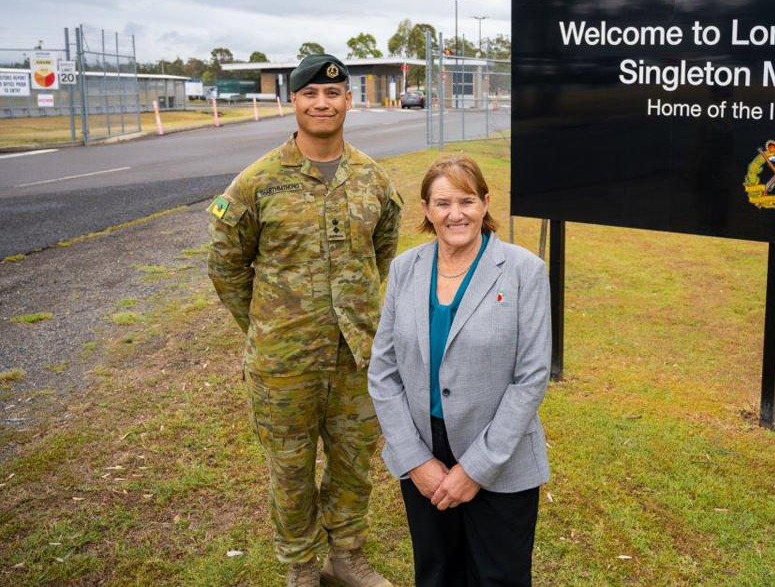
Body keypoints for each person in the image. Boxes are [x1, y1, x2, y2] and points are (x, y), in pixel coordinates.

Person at [208, 53, 403, 587]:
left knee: (352, 461)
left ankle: (347, 557)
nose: (323, 103)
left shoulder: (372, 179)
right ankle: (301, 566)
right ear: (291, 101)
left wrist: (354, 309)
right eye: (310, 94)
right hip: (283, 363)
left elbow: (381, 250)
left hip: (355, 356)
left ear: (349, 101)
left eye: (333, 94)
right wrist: (267, 325)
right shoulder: (257, 182)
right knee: (290, 470)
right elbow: (225, 265)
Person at [368, 154, 551, 586]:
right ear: (427, 211)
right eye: (443, 203)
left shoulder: (525, 271)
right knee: (436, 573)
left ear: (485, 204)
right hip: (424, 449)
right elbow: (383, 370)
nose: (456, 214)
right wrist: (414, 461)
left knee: (498, 576)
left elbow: (531, 377)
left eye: (467, 201)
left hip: (499, 456)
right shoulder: (405, 269)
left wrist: (476, 470)